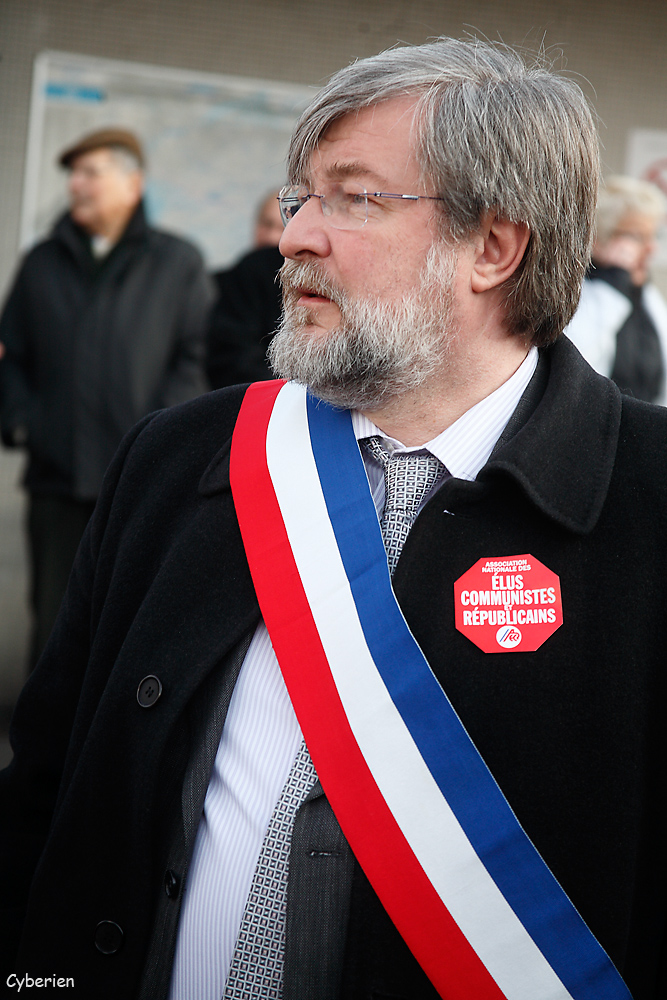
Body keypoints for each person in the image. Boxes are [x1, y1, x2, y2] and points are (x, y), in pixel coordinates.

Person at [1, 38, 665, 1000]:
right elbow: (49, 796)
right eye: (301, 195)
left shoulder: (646, 501)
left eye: (354, 197)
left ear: (493, 248)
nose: (295, 236)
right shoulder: (179, 457)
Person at [0, 128, 213, 666]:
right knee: (51, 622)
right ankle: (47, 747)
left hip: (141, 479)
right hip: (56, 475)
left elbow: (193, 359)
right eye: (72, 174)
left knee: (124, 619)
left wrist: (163, 440)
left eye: (90, 172)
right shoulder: (42, 262)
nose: (76, 185)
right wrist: (28, 422)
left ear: (132, 184)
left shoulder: (178, 263)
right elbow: (12, 355)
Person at [565, 175, 667, 402]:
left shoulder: (647, 296)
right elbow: (578, 364)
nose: (652, 249)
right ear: (597, 240)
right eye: (636, 237)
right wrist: (615, 282)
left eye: (654, 236)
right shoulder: (576, 296)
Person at [206, 191, 283, 388]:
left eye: (282, 227)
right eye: (267, 224)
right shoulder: (218, 284)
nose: (272, 236)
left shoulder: (310, 290)